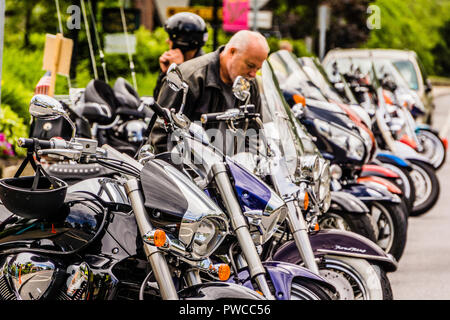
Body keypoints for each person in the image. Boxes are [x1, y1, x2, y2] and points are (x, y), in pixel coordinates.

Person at [151, 30, 270, 154]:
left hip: (230, 170)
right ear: (232, 52)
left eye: (258, 68)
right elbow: (161, 135)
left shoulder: (250, 82)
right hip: (191, 169)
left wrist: (246, 162)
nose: (253, 73)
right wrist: (188, 169)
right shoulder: (189, 78)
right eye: (250, 65)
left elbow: (254, 132)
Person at [152, 12, 208, 99]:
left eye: (171, 37)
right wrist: (164, 74)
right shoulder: (172, 62)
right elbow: (158, 101)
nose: (167, 41)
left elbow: (184, 103)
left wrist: (181, 70)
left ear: (181, 41)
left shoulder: (204, 71)